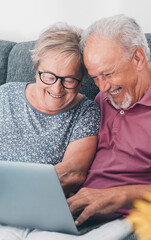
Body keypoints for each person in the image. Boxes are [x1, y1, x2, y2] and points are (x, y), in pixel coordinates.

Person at [0, 23, 101, 238]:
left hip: (44, 218)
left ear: (82, 81)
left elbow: (73, 173)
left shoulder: (87, 111)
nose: (57, 88)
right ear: (36, 71)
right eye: (49, 76)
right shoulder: (5, 96)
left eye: (69, 80)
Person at [66, 14, 151, 239]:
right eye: (95, 78)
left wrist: (118, 195)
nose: (102, 88)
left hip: (127, 221)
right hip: (77, 215)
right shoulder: (101, 101)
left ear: (138, 58)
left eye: (108, 74)